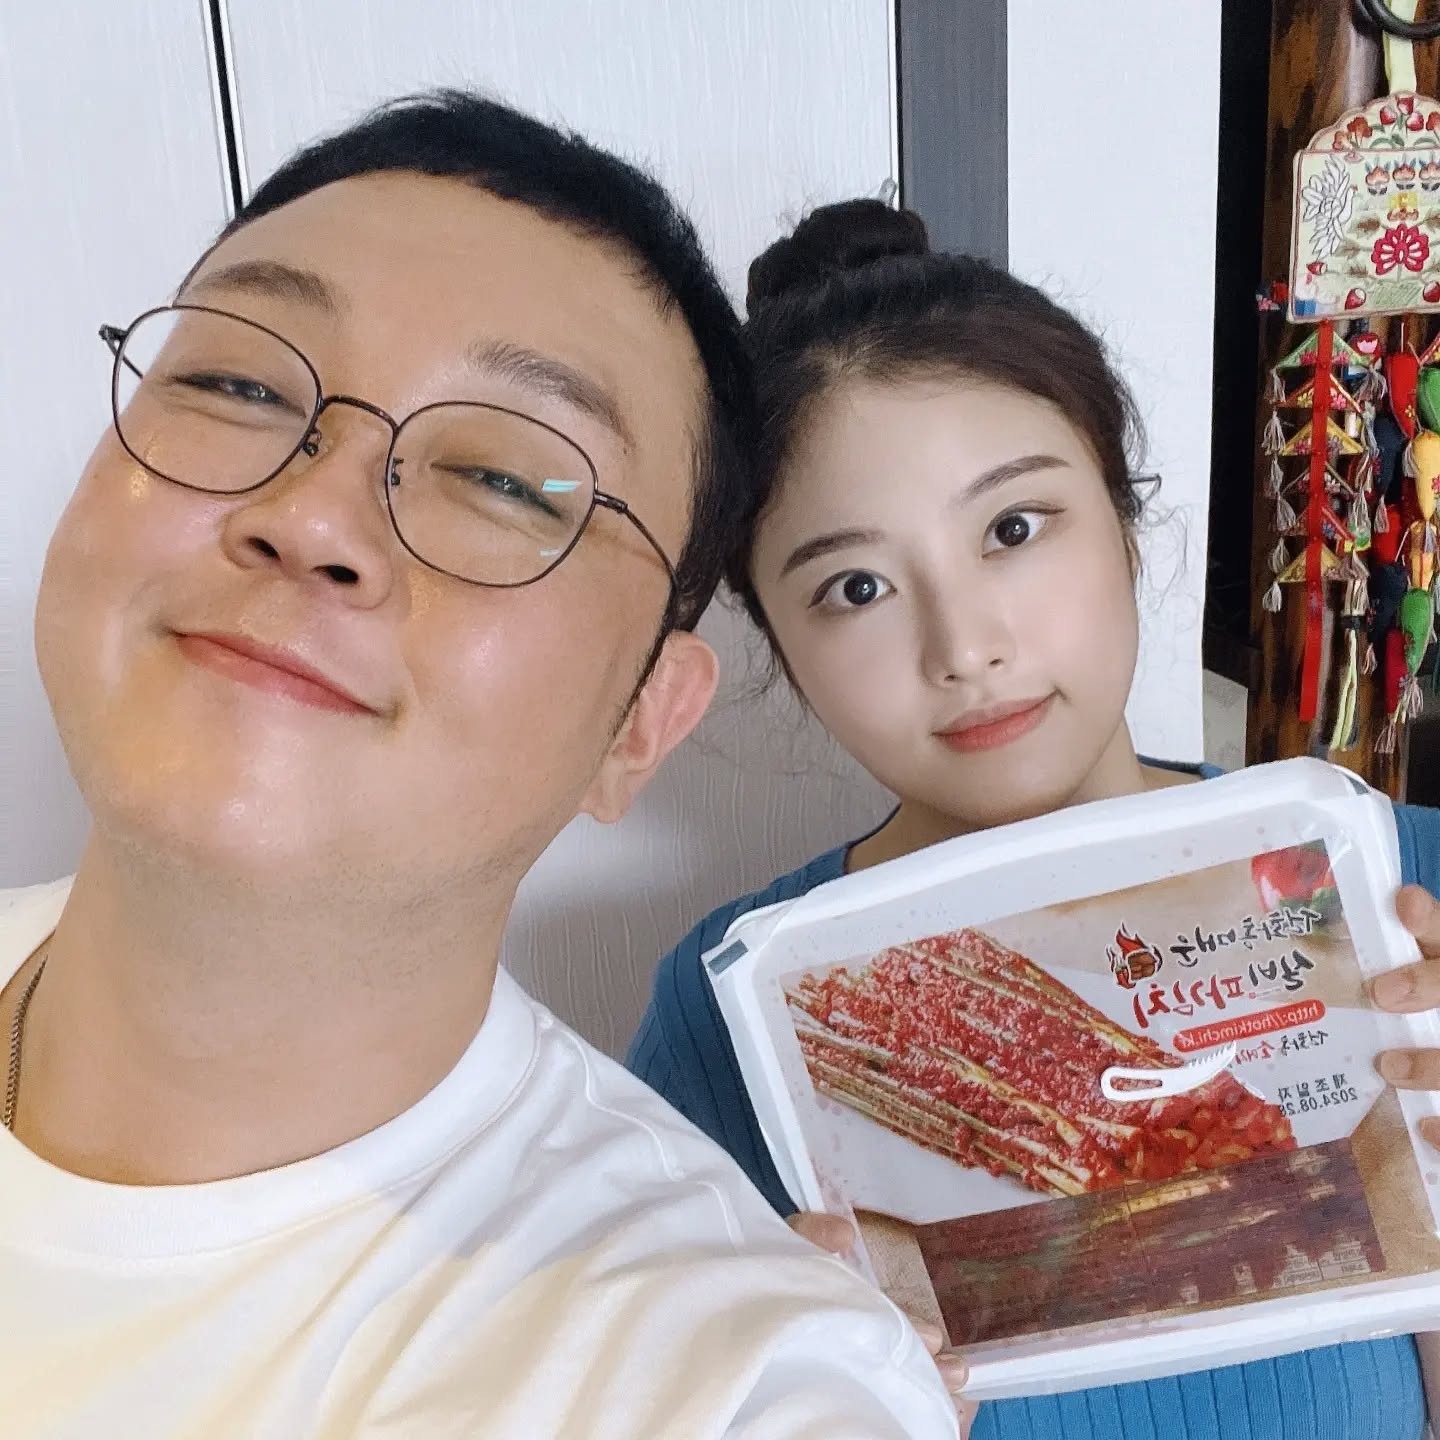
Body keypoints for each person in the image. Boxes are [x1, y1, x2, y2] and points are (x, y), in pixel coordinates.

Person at [0, 100, 961, 1438]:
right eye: (239, 386)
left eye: (506, 479)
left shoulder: (734, 1386)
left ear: (639, 724)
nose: (313, 517)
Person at [628, 198, 1440, 1440]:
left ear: (1124, 519)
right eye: (855, 586)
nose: (964, 647)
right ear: (781, 646)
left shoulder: (1400, 885)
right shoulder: (732, 1010)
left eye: (1013, 528)